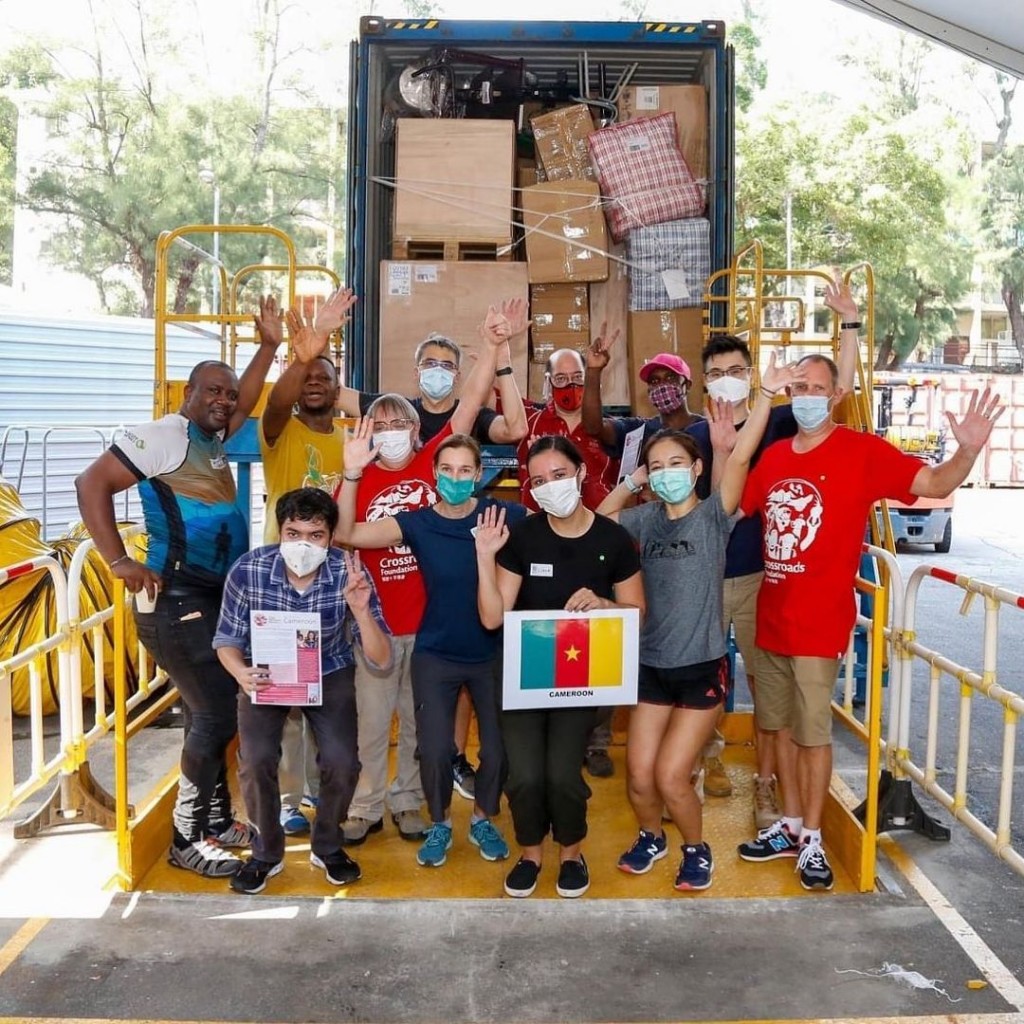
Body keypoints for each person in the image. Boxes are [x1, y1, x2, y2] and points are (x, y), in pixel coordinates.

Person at [736, 350, 1003, 891]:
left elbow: (931, 482)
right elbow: (736, 500)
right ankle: (788, 825)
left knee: (813, 736)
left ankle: (812, 837)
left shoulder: (861, 453)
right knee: (778, 728)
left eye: (817, 387)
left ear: (836, 395)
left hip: (818, 624)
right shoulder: (775, 457)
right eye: (798, 388)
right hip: (772, 617)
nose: (806, 396)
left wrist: (968, 450)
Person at [74, 330, 282, 878]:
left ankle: (214, 820)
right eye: (212, 391)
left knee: (208, 712)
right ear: (187, 393)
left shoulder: (211, 439)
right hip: (176, 600)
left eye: (229, 395)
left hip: (210, 599)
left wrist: (267, 347)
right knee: (214, 713)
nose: (224, 400)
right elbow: (90, 482)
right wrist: (119, 561)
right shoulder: (165, 436)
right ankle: (186, 837)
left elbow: (250, 396)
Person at [597, 355, 803, 891]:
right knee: (639, 777)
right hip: (649, 667)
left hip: (699, 670)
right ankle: (650, 837)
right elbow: (598, 521)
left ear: (694, 471)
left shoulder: (714, 515)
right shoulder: (642, 519)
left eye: (674, 465)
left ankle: (696, 847)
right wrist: (634, 477)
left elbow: (735, 464)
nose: (666, 475)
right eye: (657, 467)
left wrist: (762, 400)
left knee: (670, 776)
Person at [333, 297, 529, 802]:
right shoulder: (359, 477)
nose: (393, 434)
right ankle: (366, 804)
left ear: (420, 434)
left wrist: (491, 347)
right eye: (383, 426)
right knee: (372, 723)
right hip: (377, 622)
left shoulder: (432, 467)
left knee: (424, 728)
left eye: (402, 426)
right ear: (369, 432)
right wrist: (351, 470)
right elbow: (344, 531)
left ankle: (412, 801)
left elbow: (466, 407)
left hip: (430, 628)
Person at [684, 278, 862, 819]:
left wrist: (849, 324)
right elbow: (713, 508)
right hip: (708, 579)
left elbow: (842, 387)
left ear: (754, 375)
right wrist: (718, 452)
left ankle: (765, 786)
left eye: (739, 371)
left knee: (769, 694)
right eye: (717, 374)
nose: (729, 382)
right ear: (705, 383)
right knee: (698, 682)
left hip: (765, 580)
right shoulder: (690, 437)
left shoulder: (783, 422)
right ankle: (694, 769)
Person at [337, 430, 527, 868]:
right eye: (446, 470)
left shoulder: (506, 517)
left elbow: (565, 529)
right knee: (437, 747)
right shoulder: (418, 522)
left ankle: (482, 818)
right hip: (437, 652)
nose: (455, 478)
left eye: (465, 470)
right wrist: (351, 473)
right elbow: (346, 533)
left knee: (497, 749)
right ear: (435, 474)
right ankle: (439, 822)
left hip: (493, 652)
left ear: (479, 475)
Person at [475, 436, 645, 899]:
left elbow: (636, 612)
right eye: (539, 481)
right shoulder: (524, 539)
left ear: (581, 474)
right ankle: (530, 852)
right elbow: (493, 617)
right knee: (526, 775)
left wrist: (606, 603)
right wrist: (484, 557)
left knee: (563, 776)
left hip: (581, 680)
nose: (551, 486)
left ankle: (571, 851)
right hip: (523, 678)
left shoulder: (613, 539)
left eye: (559, 475)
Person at [213, 488, 392, 894]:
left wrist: (361, 612)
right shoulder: (248, 570)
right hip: (264, 673)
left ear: (331, 538)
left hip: (328, 669)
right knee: (256, 759)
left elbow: (382, 660)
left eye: (315, 535)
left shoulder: (349, 572)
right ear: (279, 531)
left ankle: (327, 845)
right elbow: (226, 638)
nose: (303, 545)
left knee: (342, 761)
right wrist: (241, 673)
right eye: (294, 533)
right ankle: (265, 853)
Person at [255, 292, 354, 837]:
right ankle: (289, 798)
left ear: (338, 390)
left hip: (333, 582)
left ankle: (321, 789)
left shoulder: (349, 440)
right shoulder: (280, 432)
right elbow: (274, 404)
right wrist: (301, 355)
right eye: (306, 376)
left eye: (324, 375)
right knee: (286, 698)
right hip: (281, 583)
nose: (314, 382)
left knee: (330, 689)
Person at [518, 344, 622, 779]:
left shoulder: (607, 425)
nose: (569, 387)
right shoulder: (535, 422)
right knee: (550, 633)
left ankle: (595, 739)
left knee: (603, 639)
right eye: (559, 379)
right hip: (546, 542)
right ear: (546, 382)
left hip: (600, 540)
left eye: (577, 378)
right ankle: (550, 728)